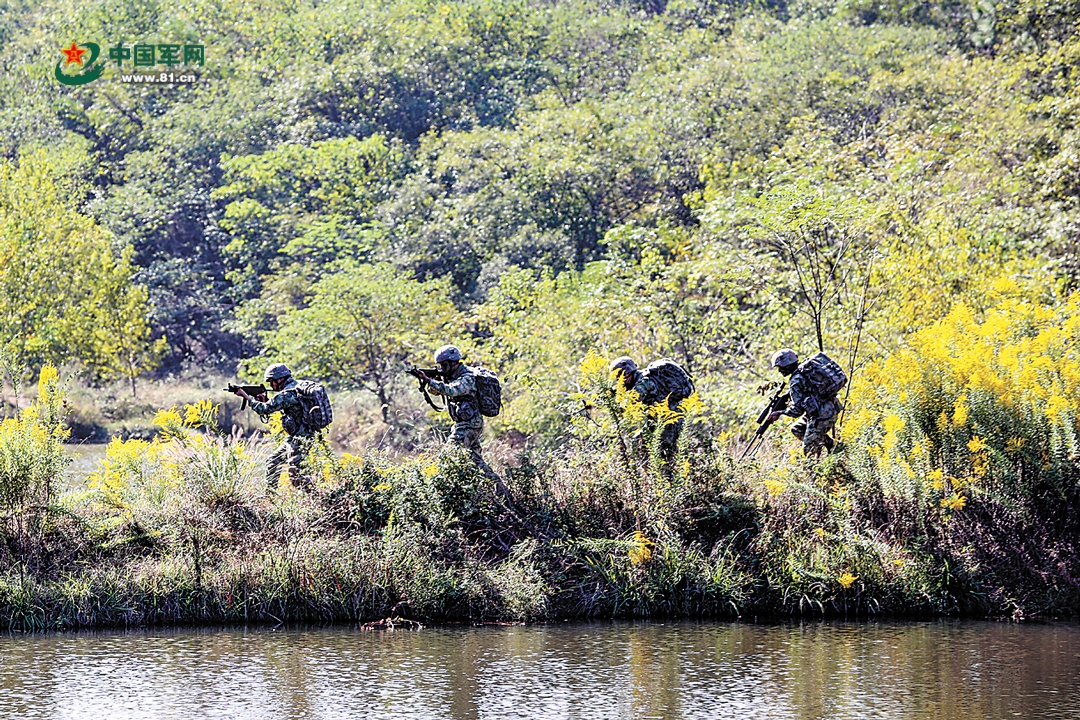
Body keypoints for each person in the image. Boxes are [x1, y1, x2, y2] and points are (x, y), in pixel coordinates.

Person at [235, 363, 315, 491]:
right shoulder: (295, 387)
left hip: (300, 438)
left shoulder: (288, 393)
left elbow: (264, 409)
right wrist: (264, 400)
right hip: (297, 436)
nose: (271, 386)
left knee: (296, 478)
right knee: (273, 462)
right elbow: (279, 406)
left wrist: (247, 397)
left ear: (279, 379)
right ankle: (271, 496)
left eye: (272, 382)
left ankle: (319, 497)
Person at [608, 356, 695, 458]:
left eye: (622, 377)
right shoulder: (640, 379)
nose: (620, 382)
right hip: (661, 419)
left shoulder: (644, 382)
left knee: (666, 454)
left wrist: (614, 401)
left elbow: (631, 400)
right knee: (648, 446)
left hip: (670, 420)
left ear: (628, 374)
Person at [765, 348, 846, 457]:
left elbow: (796, 411)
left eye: (780, 368)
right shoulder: (805, 371)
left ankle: (815, 471)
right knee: (798, 429)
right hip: (830, 409)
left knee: (809, 451)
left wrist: (780, 412)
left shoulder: (795, 381)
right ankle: (834, 446)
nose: (780, 371)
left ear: (786, 366)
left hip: (823, 416)